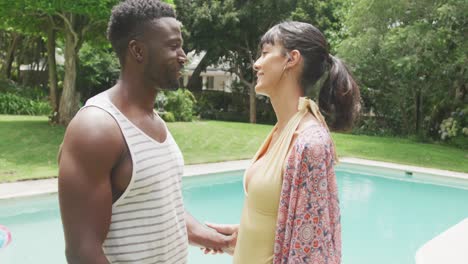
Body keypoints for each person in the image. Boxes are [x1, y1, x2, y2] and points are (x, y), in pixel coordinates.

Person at [58, 1, 235, 263]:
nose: (183, 55)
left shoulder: (156, 123)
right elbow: (83, 251)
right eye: (173, 46)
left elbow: (162, 210)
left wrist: (222, 241)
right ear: (138, 51)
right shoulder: (97, 128)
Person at [207, 21, 361, 263]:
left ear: (291, 59)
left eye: (266, 53)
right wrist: (243, 236)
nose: (256, 63)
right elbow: (281, 222)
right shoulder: (283, 130)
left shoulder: (310, 143)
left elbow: (310, 250)